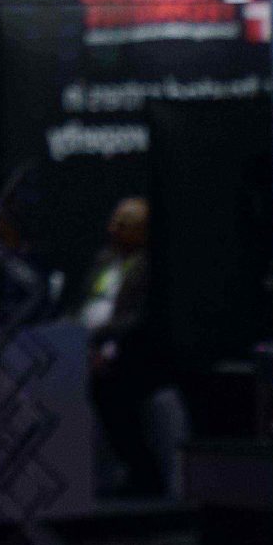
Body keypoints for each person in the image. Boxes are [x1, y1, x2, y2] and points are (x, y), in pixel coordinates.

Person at [81, 195, 165, 497]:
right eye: (114, 222)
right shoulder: (104, 261)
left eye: (123, 225)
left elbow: (136, 320)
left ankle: (142, 475)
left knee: (111, 393)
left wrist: (102, 342)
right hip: (88, 343)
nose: (112, 229)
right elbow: (90, 303)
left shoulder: (147, 267)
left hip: (128, 352)